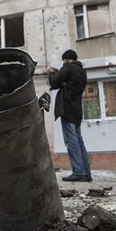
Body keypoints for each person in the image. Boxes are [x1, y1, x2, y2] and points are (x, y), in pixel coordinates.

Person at [46, 49, 92, 182]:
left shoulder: (68, 68)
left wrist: (51, 73)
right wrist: (60, 76)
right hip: (77, 109)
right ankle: (86, 173)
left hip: (67, 108)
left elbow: (55, 83)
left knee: (71, 141)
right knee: (78, 141)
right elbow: (65, 82)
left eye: (64, 61)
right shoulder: (81, 71)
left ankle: (78, 172)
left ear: (66, 59)